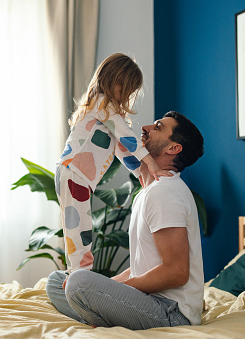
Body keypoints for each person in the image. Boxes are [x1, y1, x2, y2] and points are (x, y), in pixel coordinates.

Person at [47, 111, 205, 330]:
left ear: (172, 148)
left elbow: (176, 272)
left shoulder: (166, 193)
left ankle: (96, 317)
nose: (146, 128)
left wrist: (111, 292)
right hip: (149, 302)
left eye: (158, 127)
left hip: (171, 314)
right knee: (57, 282)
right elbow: (138, 269)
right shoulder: (148, 192)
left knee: (78, 283)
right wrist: (106, 289)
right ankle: (98, 315)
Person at [56, 53, 170, 276]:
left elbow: (122, 150)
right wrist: (152, 165)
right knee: (78, 231)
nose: (127, 95)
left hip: (76, 175)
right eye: (126, 89)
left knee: (80, 229)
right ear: (114, 81)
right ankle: (78, 278)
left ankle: (77, 276)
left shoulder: (104, 112)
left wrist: (143, 175)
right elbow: (127, 137)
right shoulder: (102, 103)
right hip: (73, 172)